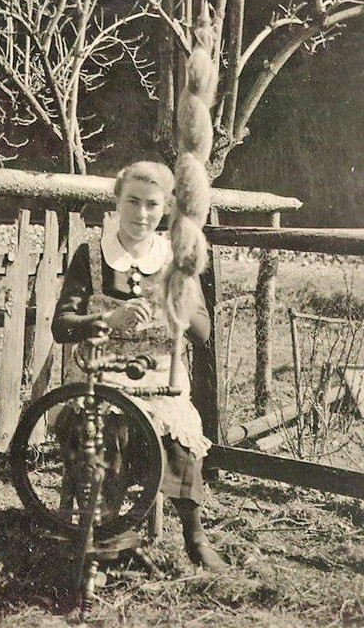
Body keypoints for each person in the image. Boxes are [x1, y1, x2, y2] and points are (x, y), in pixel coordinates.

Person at [52, 160, 224, 570]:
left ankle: (195, 537)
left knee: (180, 442)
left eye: (152, 204)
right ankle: (105, 531)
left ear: (166, 208)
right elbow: (62, 325)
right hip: (100, 376)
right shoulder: (91, 255)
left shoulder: (175, 258)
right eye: (132, 201)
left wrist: (177, 303)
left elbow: (203, 332)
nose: (141, 214)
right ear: (116, 201)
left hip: (160, 378)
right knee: (106, 432)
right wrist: (106, 319)